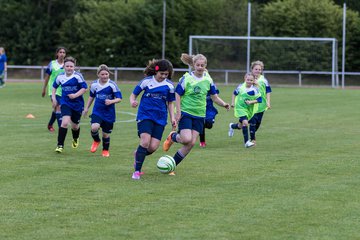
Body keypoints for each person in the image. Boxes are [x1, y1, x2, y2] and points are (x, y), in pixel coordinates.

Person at [163, 53, 230, 175]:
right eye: (198, 65)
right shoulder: (187, 78)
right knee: (186, 139)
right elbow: (177, 94)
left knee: (191, 143)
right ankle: (173, 136)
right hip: (186, 112)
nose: (200, 67)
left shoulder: (208, 80)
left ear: (205, 66)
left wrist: (224, 104)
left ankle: (172, 165)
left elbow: (214, 97)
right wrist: (178, 112)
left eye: (202, 65)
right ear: (193, 65)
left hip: (200, 115)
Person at [130, 59, 176, 180]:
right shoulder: (146, 82)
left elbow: (170, 103)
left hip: (160, 118)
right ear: (156, 71)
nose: (163, 76)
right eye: (162, 73)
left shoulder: (170, 86)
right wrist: (132, 101)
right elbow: (133, 94)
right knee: (145, 142)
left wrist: (173, 118)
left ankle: (137, 154)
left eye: (166, 74)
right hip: (145, 115)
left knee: (152, 147)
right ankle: (137, 171)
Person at [83, 64, 122, 157]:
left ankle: (105, 150)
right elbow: (91, 97)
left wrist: (111, 101)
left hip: (109, 113)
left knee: (106, 134)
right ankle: (96, 140)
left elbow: (119, 98)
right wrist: (86, 108)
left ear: (108, 74)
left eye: (106, 74)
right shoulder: (94, 85)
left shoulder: (112, 85)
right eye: (102, 74)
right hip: (97, 111)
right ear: (98, 75)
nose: (105, 76)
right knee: (94, 127)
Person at [52, 56, 87, 153]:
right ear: (64, 66)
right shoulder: (60, 76)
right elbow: (54, 87)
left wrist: (75, 95)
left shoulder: (78, 76)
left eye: (71, 66)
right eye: (67, 66)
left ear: (74, 67)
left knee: (75, 126)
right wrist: (54, 98)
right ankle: (60, 145)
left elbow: (84, 88)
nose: (69, 68)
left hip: (77, 104)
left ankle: (75, 138)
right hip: (65, 102)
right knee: (65, 122)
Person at [228, 73, 262, 148]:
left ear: (253, 81)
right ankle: (246, 142)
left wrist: (251, 102)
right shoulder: (240, 87)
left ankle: (232, 126)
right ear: (245, 79)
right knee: (246, 123)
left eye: (251, 80)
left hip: (249, 109)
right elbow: (234, 93)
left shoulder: (255, 89)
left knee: (240, 126)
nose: (249, 81)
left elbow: (260, 99)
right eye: (248, 80)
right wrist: (233, 103)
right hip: (240, 107)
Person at [41, 47, 67, 132]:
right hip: (53, 89)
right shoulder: (52, 64)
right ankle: (61, 128)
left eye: (63, 52)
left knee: (57, 108)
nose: (62, 54)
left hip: (63, 90)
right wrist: (44, 88)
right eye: (60, 52)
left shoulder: (67, 65)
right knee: (58, 107)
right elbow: (47, 77)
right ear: (57, 54)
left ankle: (50, 124)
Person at [249, 60, 272, 145]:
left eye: (259, 69)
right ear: (252, 69)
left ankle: (240, 125)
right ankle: (252, 140)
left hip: (261, 104)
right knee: (253, 121)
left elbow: (268, 91)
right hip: (251, 104)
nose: (258, 71)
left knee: (258, 123)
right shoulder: (249, 79)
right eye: (256, 69)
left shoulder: (264, 80)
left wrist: (268, 102)